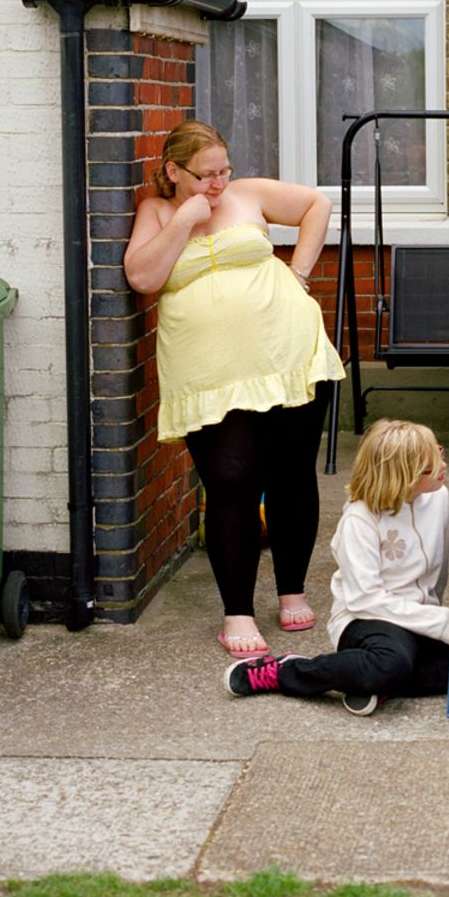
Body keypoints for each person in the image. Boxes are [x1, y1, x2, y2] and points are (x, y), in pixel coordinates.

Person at [123, 120, 345, 659]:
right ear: (174, 171)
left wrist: (300, 271)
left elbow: (316, 205)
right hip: (210, 374)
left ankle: (291, 589)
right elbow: (144, 278)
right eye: (206, 175)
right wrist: (187, 217)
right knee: (231, 480)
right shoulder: (156, 213)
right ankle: (237, 612)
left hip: (289, 355)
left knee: (293, 475)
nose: (220, 184)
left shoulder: (246, 195)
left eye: (225, 170)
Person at [224, 420, 449, 711]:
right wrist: (442, 624)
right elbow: (365, 599)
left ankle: (374, 681)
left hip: (420, 620)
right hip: (368, 620)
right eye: (432, 464)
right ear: (406, 475)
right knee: (391, 664)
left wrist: (436, 620)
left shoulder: (438, 496)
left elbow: (437, 575)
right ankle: (286, 671)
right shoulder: (359, 520)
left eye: (438, 453)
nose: (444, 466)